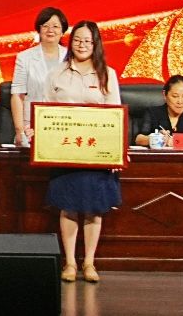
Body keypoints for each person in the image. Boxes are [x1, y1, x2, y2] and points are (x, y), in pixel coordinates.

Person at [42, 20, 121, 283]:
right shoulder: (56, 74)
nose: (82, 45)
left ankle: (89, 262)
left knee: (93, 208)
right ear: (71, 42)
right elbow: (45, 110)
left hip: (95, 152)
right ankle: (70, 263)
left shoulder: (107, 74)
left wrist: (115, 152)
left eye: (87, 41)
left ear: (95, 44)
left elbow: (115, 115)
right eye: (77, 40)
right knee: (68, 207)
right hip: (65, 150)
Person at [10, 7, 69, 146]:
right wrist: (20, 131)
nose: (50, 30)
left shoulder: (71, 57)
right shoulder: (24, 57)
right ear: (39, 29)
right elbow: (17, 95)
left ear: (62, 31)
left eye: (55, 26)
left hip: (64, 125)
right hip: (31, 127)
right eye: (45, 26)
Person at [134, 74, 183, 147]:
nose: (180, 102)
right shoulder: (152, 113)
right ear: (165, 95)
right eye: (175, 96)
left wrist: (175, 141)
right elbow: (139, 139)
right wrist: (156, 138)